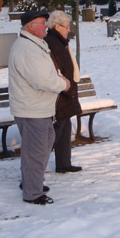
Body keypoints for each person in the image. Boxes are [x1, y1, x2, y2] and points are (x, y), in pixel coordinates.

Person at [8, 10, 70, 205]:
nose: (46, 26)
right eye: (42, 22)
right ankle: (33, 193)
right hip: (32, 109)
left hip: (39, 107)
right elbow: (41, 79)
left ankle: (30, 182)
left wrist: (58, 78)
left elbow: (48, 71)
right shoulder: (26, 48)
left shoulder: (34, 44)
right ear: (30, 26)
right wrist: (63, 84)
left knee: (43, 145)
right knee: (36, 151)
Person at [45, 10, 83, 174]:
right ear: (56, 26)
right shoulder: (52, 43)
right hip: (59, 93)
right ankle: (32, 171)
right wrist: (68, 89)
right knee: (53, 133)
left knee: (65, 127)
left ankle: (63, 163)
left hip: (66, 91)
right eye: (66, 27)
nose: (69, 30)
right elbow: (56, 71)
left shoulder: (60, 42)